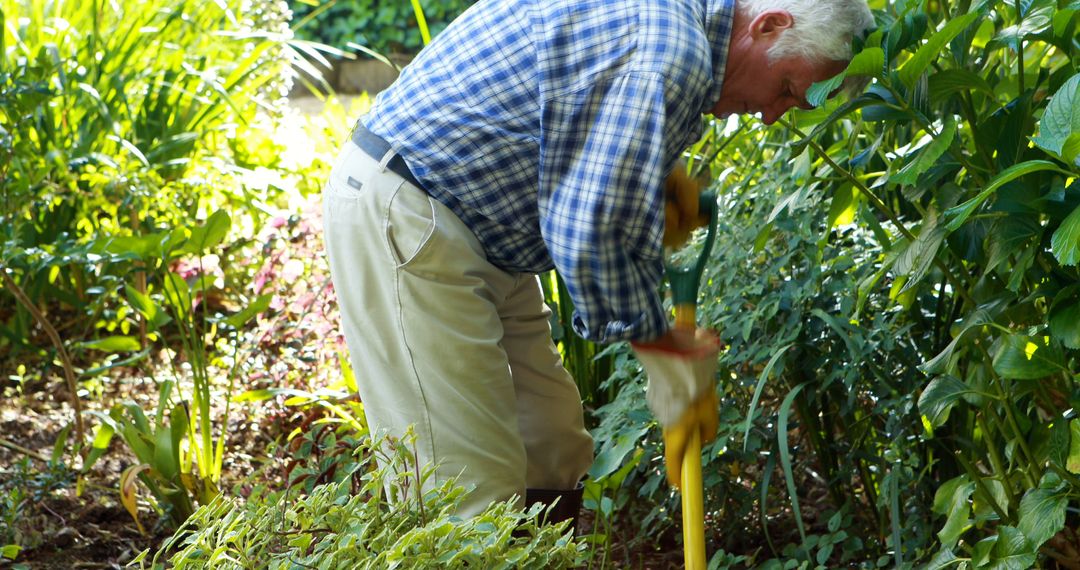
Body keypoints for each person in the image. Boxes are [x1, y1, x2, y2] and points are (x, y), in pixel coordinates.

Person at [322, 0, 875, 527]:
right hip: (412, 215)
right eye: (785, 90)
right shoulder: (669, 51)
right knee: (463, 489)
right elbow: (588, 229)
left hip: (481, 229)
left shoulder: (681, 33)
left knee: (553, 445)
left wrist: (652, 191)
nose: (774, 116)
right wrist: (663, 350)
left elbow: (578, 138)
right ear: (770, 25)